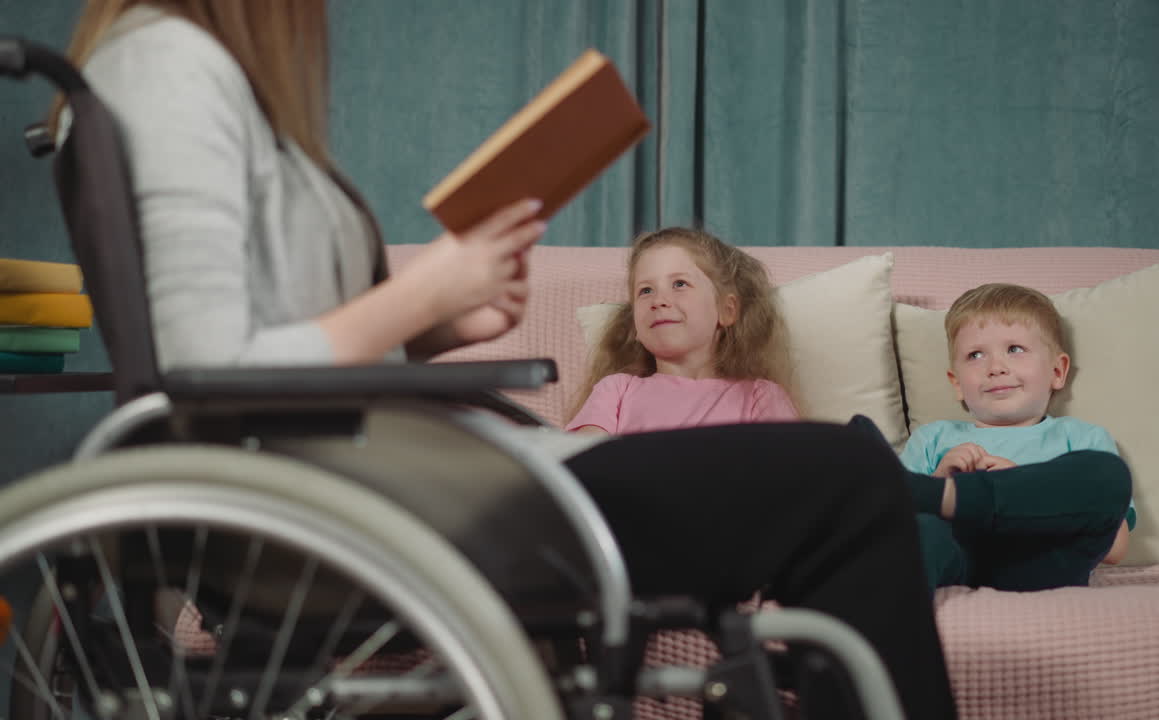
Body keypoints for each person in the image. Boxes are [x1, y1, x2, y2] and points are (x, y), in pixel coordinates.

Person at [56, 2, 956, 717]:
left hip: (393, 473)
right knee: (848, 473)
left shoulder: (205, 75)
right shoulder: (169, 67)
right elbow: (204, 368)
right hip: (369, 503)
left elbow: (273, 347)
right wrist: (419, 290)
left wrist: (436, 329)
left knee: (848, 468)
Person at [900, 283, 1134, 593]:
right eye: (975, 355)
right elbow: (894, 533)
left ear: (1057, 370)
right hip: (958, 557)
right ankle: (935, 494)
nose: (995, 367)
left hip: (1041, 562)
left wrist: (1022, 490)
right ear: (956, 383)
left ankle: (941, 494)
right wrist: (941, 477)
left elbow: (1116, 548)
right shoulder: (933, 438)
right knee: (916, 528)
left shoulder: (1079, 437)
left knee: (1107, 472)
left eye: (1015, 349)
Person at [566, 226, 798, 435]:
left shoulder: (760, 396)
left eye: (679, 284)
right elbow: (584, 464)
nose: (658, 300)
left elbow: (788, 473)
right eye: (645, 291)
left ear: (727, 310)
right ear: (635, 326)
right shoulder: (616, 390)